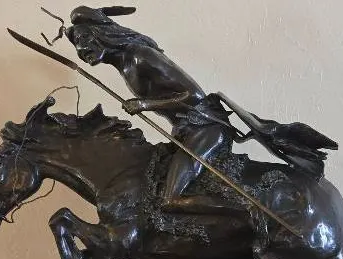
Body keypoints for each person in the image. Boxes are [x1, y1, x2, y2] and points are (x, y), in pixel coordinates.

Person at [66, 6, 241, 216]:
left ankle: (248, 213)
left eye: (84, 38)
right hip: (184, 132)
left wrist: (145, 104)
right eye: (76, 43)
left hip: (206, 126)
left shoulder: (140, 56)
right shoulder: (124, 65)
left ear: (100, 33)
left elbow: (193, 94)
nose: (80, 49)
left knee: (170, 199)